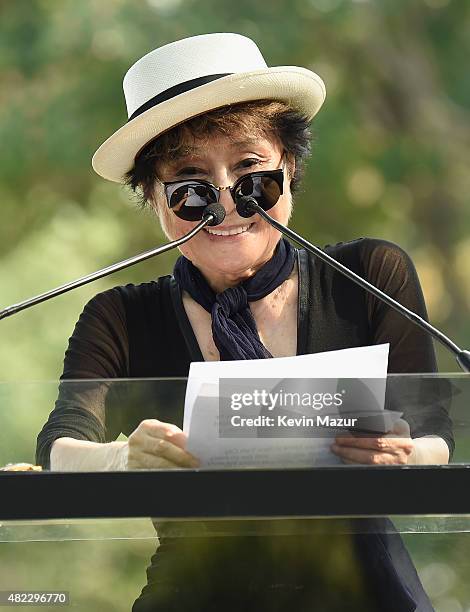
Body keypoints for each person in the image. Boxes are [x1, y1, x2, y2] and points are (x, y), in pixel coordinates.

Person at [36, 33, 453, 611]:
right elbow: (58, 447)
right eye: (191, 188)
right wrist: (119, 457)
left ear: (291, 168)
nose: (228, 206)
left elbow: (438, 433)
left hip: (364, 592)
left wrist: (412, 454)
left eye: (253, 176)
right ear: (154, 200)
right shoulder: (120, 317)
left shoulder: (369, 276)